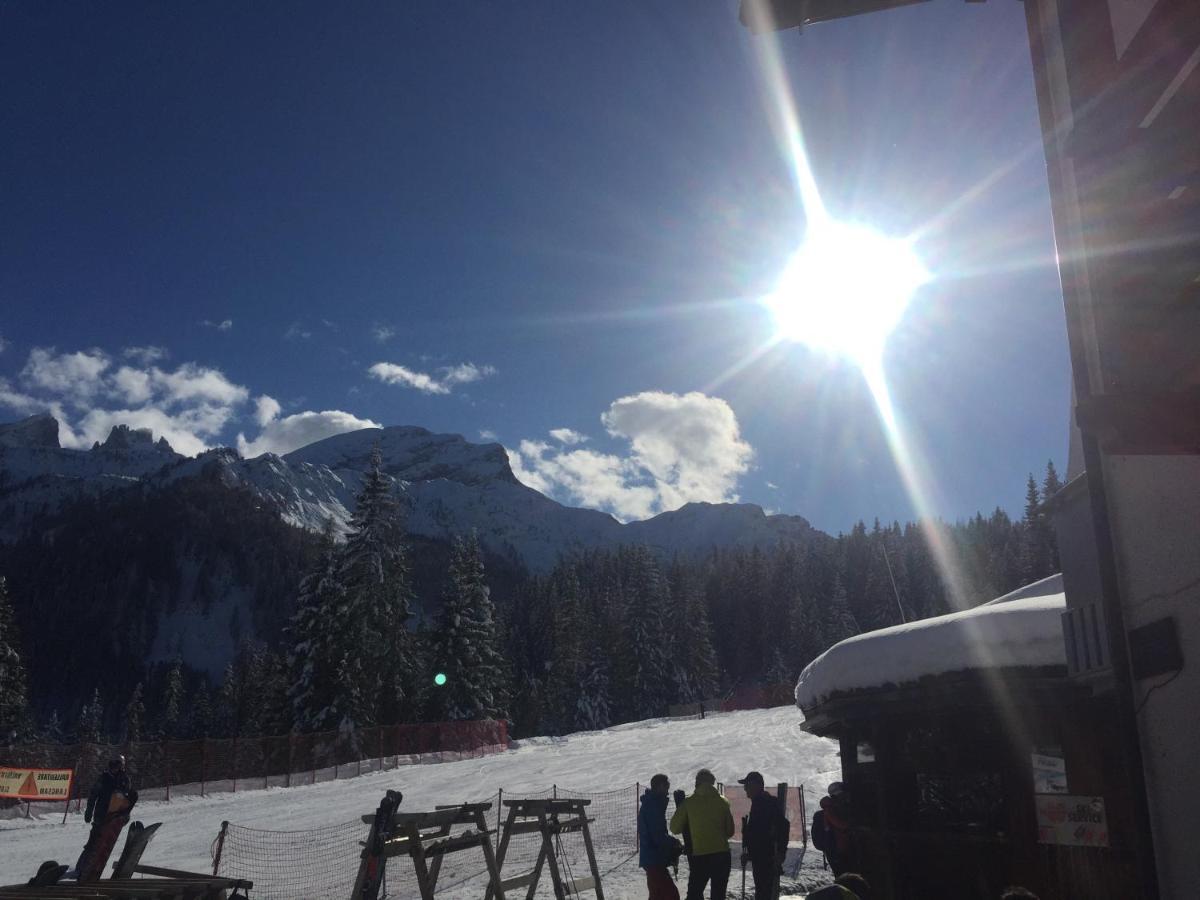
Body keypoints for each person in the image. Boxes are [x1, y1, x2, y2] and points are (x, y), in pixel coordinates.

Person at [670, 768, 735, 900]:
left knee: (694, 894)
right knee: (718, 895)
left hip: (700, 857)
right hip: (722, 856)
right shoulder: (723, 802)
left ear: (697, 783)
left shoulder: (688, 802)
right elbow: (730, 831)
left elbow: (675, 828)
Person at [74, 756, 138, 877]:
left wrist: (125, 814)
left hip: (114, 816)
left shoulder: (124, 779)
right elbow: (94, 795)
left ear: (121, 767)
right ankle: (81, 868)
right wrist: (89, 810)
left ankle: (96, 868)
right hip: (101, 814)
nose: (115, 768)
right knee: (94, 841)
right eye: (113, 766)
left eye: (118, 766)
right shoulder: (104, 778)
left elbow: (127, 799)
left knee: (106, 842)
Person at [737, 771, 789, 900]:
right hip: (760, 857)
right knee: (762, 892)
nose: (745, 790)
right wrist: (750, 854)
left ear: (756, 785)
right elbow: (757, 833)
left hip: (767, 857)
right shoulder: (758, 802)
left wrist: (781, 852)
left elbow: (783, 826)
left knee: (764, 893)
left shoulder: (766, 802)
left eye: (747, 786)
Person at [639, 774, 683, 900]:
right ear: (660, 786)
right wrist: (674, 843)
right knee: (671, 895)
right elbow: (657, 835)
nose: (667, 791)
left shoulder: (652, 804)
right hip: (654, 858)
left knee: (657, 895)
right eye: (666, 787)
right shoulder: (653, 806)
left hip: (652, 857)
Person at [811, 781, 853, 875]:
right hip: (839, 851)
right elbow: (841, 825)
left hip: (834, 850)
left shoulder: (829, 809)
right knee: (846, 877)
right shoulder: (832, 809)